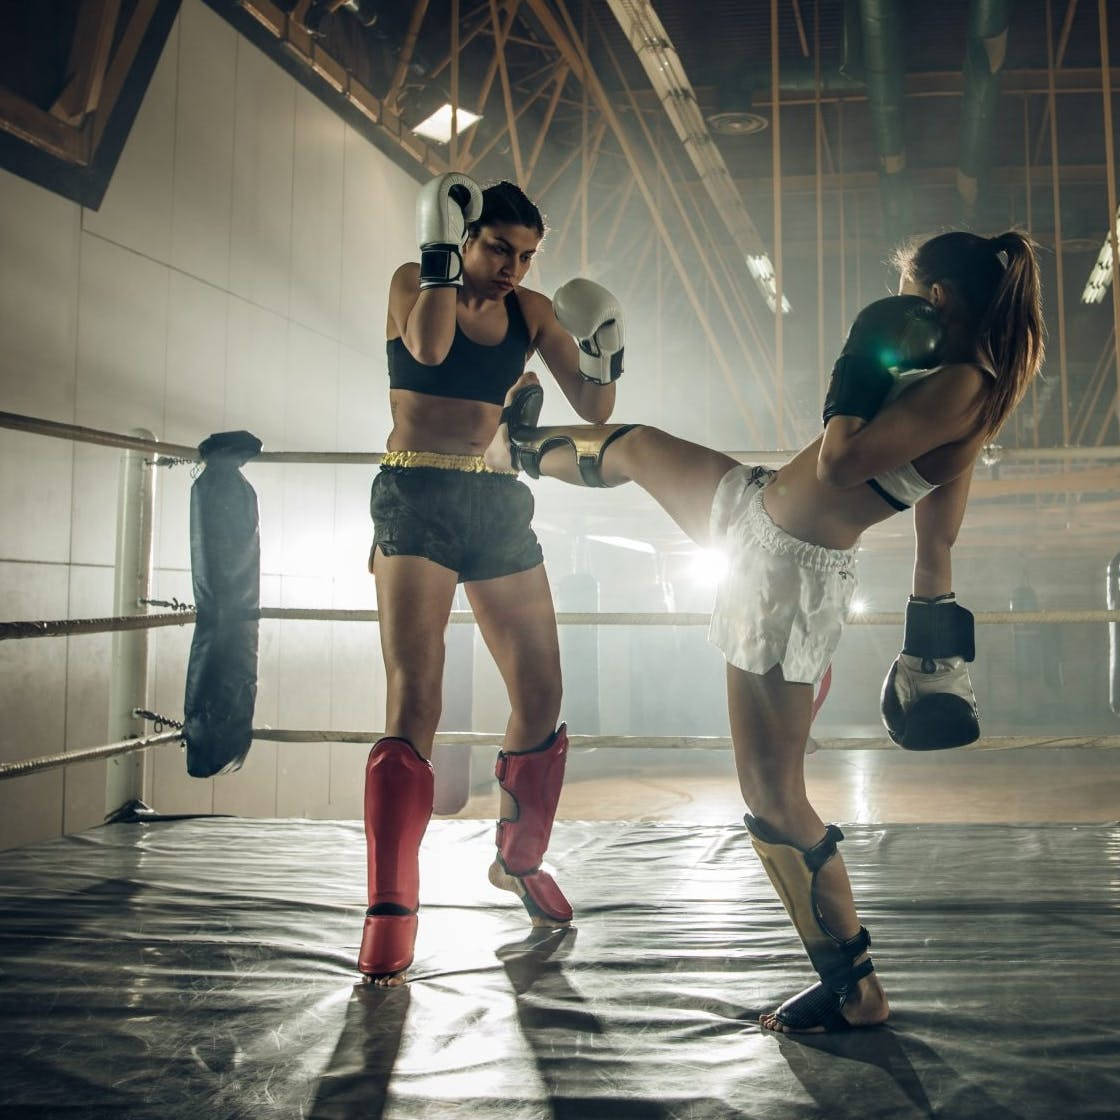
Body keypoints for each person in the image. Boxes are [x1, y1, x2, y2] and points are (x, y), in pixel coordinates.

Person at [483, 230, 1044, 1031]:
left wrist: (859, 357)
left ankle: (855, 988)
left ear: (939, 299)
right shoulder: (960, 386)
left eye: (912, 290)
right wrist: (930, 650)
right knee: (638, 446)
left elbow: (842, 464)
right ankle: (520, 449)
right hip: (751, 509)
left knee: (773, 795)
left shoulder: (961, 386)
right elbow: (937, 538)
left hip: (785, 570)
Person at [360, 172, 625, 986]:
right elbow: (432, 349)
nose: (514, 267)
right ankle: (391, 907)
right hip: (415, 492)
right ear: (465, 238)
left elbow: (595, 406)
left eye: (527, 255)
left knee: (541, 695)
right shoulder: (416, 282)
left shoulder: (531, 311)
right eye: (500, 248)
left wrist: (606, 341)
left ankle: (516, 858)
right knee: (418, 698)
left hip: (493, 501)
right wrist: (439, 250)